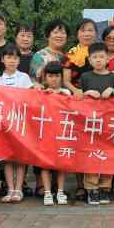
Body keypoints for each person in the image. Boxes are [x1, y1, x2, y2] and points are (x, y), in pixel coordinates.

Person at [80, 42, 114, 205]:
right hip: (90, 124)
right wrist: (87, 93)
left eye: (101, 57)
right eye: (95, 57)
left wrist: (113, 91)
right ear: (89, 60)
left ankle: (105, 188)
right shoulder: (85, 77)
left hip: (110, 124)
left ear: (107, 59)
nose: (98, 60)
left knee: (108, 155)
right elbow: (77, 99)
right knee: (91, 156)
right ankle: (92, 189)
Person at [0, 44, 34, 203]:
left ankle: (19, 188)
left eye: (15, 58)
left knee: (20, 156)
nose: (12, 60)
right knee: (7, 156)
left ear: (19, 60)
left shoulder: (24, 77)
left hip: (21, 121)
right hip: (3, 122)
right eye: (9, 57)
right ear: (3, 59)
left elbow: (30, 97)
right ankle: (10, 188)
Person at [38, 61, 70, 206]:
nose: (54, 79)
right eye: (50, 76)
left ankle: (61, 191)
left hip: (62, 133)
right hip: (45, 134)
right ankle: (47, 192)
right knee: (45, 164)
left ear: (61, 77)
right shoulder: (40, 92)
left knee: (61, 163)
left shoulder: (66, 93)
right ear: (45, 77)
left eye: (57, 76)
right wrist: (40, 91)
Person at [63, 19, 97, 96]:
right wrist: (76, 90)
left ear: (96, 34)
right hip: (76, 97)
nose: (87, 34)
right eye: (83, 31)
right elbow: (66, 81)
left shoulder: (102, 52)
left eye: (90, 30)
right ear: (77, 34)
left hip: (99, 96)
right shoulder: (70, 55)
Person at [30, 19, 69, 84]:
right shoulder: (39, 56)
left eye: (63, 33)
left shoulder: (67, 57)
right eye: (55, 32)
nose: (59, 36)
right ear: (48, 36)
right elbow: (33, 81)